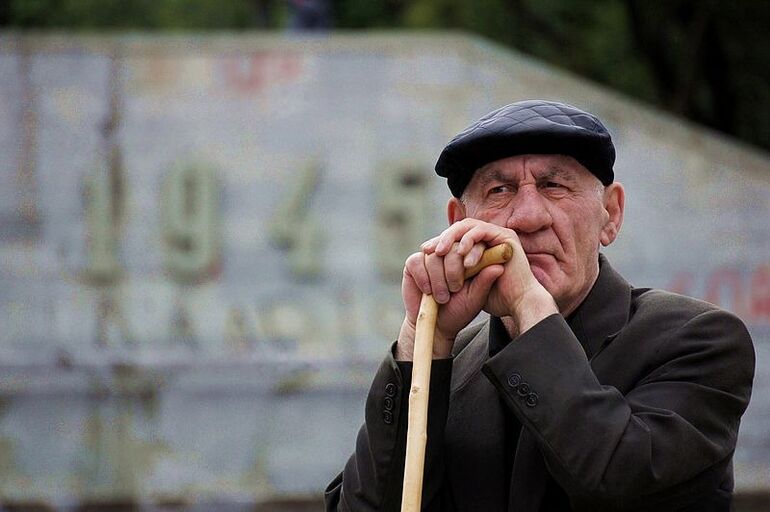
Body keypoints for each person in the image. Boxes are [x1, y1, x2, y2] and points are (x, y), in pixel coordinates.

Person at [324, 100, 755, 511]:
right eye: (499, 190)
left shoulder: (699, 340)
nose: (528, 218)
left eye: (554, 186)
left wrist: (529, 303)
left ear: (610, 214)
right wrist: (422, 341)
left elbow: (621, 485)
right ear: (459, 224)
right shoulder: (448, 361)